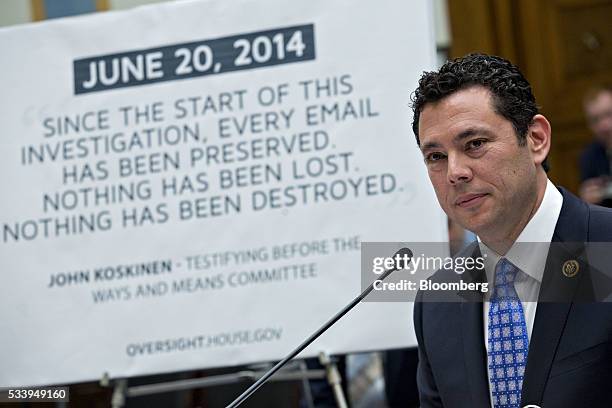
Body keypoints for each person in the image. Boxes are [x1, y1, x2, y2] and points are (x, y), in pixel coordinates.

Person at [410, 54, 612, 408]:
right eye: (436, 157)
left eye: (474, 144)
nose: (455, 171)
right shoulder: (437, 302)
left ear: (535, 139)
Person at [579, 85, 612, 207]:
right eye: (595, 120)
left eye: (609, 114)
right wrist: (586, 200)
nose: (604, 125)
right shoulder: (589, 157)